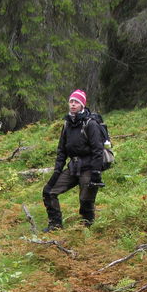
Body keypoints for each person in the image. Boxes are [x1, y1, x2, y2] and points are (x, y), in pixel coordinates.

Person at [42, 89, 105, 231]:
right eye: (71, 101)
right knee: (49, 191)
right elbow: (61, 150)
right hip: (73, 167)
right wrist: (57, 171)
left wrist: (96, 172)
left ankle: (86, 228)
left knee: (85, 200)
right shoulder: (67, 124)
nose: (73, 104)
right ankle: (55, 225)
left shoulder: (90, 124)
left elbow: (97, 150)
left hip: (89, 168)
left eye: (76, 102)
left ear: (82, 104)